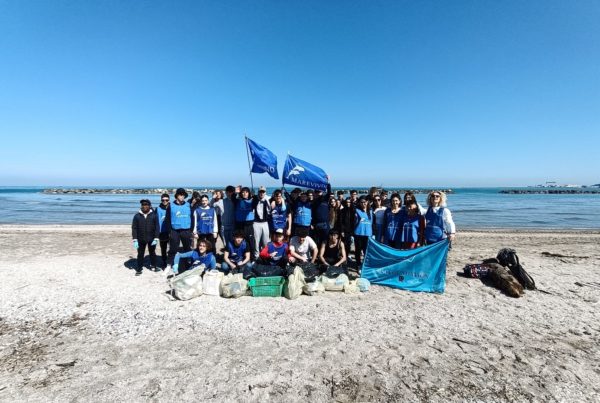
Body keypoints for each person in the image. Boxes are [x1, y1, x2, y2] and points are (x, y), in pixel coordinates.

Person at [166, 188, 194, 267]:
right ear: (177, 196)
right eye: (180, 195)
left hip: (186, 230)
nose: (182, 196)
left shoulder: (188, 205)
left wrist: (191, 230)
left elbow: (192, 218)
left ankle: (188, 264)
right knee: (173, 249)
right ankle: (169, 264)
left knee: (187, 248)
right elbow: (167, 219)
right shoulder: (171, 206)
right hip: (175, 230)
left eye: (183, 195)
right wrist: (170, 231)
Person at [131, 199, 159, 275]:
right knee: (140, 254)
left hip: (152, 238)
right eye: (143, 204)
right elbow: (134, 228)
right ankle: (139, 269)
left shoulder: (154, 215)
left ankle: (153, 266)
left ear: (150, 206)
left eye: (146, 204)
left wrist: (156, 238)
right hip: (140, 239)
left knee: (152, 253)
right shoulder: (137, 216)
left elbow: (157, 227)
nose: (144, 206)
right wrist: (135, 239)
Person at [354, 196, 375, 268]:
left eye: (365, 202)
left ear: (367, 202)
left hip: (368, 234)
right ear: (359, 203)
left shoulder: (371, 211)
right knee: (358, 250)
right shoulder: (357, 210)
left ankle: (365, 264)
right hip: (359, 233)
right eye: (361, 202)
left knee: (366, 250)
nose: (363, 204)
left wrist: (373, 233)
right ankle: (358, 264)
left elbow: (372, 223)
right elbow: (354, 222)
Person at [252, 186, 271, 260]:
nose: (262, 193)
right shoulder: (254, 199)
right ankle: (256, 256)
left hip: (265, 223)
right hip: (256, 223)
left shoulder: (268, 199)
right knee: (256, 241)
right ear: (258, 192)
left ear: (265, 192)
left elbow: (278, 198)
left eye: (263, 192)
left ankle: (265, 255)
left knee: (266, 241)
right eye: (260, 192)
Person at [155, 193, 170, 268]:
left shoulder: (172, 207)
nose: (165, 201)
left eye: (166, 200)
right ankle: (164, 262)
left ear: (169, 200)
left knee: (172, 248)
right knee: (163, 248)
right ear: (161, 200)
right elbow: (154, 220)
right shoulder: (157, 209)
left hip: (171, 231)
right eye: (163, 200)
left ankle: (171, 261)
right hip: (162, 232)